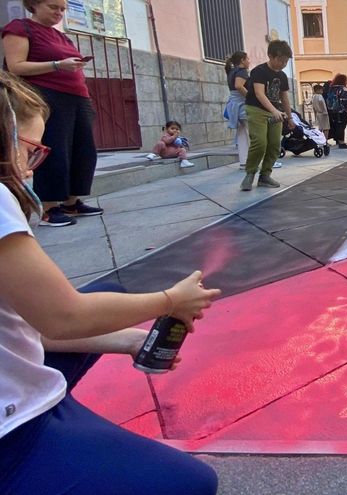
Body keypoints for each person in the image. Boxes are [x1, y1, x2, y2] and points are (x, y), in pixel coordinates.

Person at [0, 70, 220, 494]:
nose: (31, 169)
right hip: (12, 436)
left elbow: (30, 326)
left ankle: (70, 431)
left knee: (112, 302)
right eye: (30, 150)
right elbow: (60, 318)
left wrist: (129, 341)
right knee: (192, 484)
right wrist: (170, 300)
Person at [2, 0, 104, 227]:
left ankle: (72, 201)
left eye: (62, 9)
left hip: (77, 96)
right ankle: (49, 207)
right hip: (47, 96)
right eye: (53, 7)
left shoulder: (61, 36)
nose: (59, 13)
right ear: (35, 5)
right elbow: (16, 66)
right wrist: (58, 64)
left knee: (83, 149)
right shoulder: (20, 28)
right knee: (55, 149)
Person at [240, 40, 293, 191]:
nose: (283, 64)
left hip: (275, 112)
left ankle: (265, 176)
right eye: (281, 60)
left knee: (275, 145)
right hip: (256, 109)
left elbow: (284, 97)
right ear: (270, 56)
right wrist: (274, 111)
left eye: (286, 61)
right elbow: (259, 94)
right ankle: (250, 174)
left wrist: (290, 118)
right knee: (260, 143)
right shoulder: (259, 71)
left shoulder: (282, 76)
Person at [223, 51, 250, 169]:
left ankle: (244, 162)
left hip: (234, 106)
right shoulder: (242, 72)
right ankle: (258, 161)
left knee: (242, 135)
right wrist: (251, 98)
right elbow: (239, 86)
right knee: (253, 134)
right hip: (242, 105)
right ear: (242, 60)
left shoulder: (231, 71)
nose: (249, 61)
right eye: (248, 59)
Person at [326, 74, 347, 149]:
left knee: (336, 125)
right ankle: (341, 142)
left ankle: (337, 140)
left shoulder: (332, 88)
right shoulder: (343, 88)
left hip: (333, 110)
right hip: (342, 111)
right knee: (342, 126)